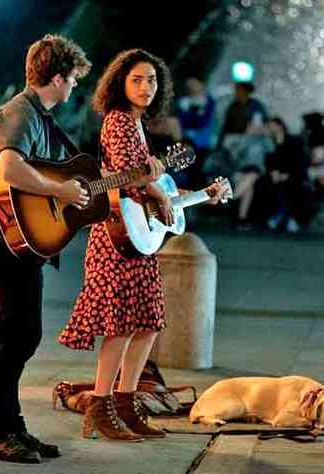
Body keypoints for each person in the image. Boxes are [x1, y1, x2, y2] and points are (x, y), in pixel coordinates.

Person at [57, 48, 226, 442]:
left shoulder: (138, 126)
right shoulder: (117, 121)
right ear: (120, 83)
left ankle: (125, 405)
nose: (145, 87)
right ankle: (100, 408)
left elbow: (154, 189)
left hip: (139, 239)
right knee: (119, 326)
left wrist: (199, 194)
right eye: (137, 79)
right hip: (116, 239)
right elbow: (126, 177)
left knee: (148, 324)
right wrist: (158, 192)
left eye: (151, 80)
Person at [0, 34, 91, 464]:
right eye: (73, 79)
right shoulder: (18, 112)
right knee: (16, 336)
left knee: (16, 335)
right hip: (0, 238)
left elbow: (54, 179)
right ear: (57, 77)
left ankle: (8, 424)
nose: (75, 87)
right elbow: (10, 170)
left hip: (21, 241)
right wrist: (59, 188)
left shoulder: (42, 118)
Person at [218, 81, 272, 228]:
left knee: (248, 176)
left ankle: (234, 201)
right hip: (236, 145)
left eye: (239, 90)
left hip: (248, 145)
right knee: (250, 177)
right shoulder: (233, 107)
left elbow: (260, 127)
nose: (237, 92)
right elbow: (225, 129)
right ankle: (241, 215)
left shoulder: (256, 107)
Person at [263, 117, 306, 233]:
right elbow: (269, 161)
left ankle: (282, 216)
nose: (270, 128)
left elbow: (298, 161)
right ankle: (286, 217)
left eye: (272, 125)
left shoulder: (293, 140)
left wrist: (286, 174)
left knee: (288, 185)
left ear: (280, 126)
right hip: (275, 175)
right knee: (273, 184)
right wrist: (273, 172)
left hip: (292, 174)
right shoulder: (270, 142)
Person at [176, 77, 216, 187]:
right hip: (186, 139)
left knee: (198, 167)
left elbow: (203, 121)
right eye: (190, 86)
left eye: (195, 85)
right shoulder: (183, 102)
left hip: (203, 142)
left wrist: (192, 117)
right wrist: (196, 117)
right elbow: (182, 121)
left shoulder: (209, 101)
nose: (193, 88)